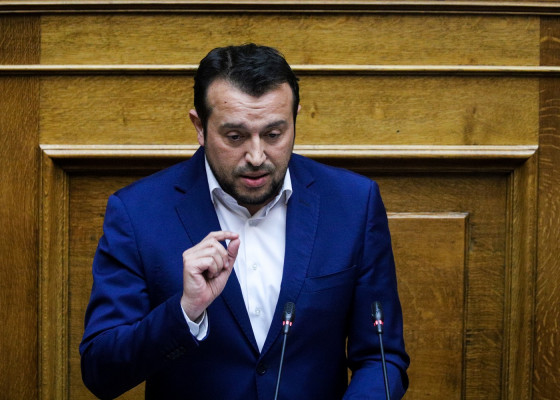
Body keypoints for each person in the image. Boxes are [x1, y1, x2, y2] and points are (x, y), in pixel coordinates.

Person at [80, 43, 409, 400]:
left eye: (273, 134)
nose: (256, 156)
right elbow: (101, 371)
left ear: (295, 119)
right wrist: (185, 311)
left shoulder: (353, 204)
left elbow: (382, 358)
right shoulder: (137, 213)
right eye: (235, 137)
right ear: (200, 126)